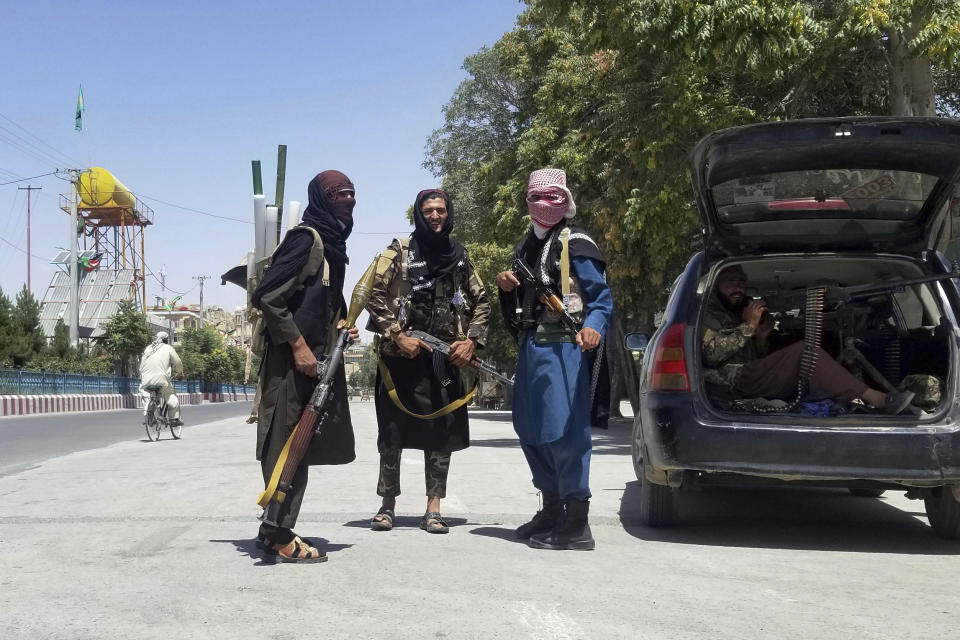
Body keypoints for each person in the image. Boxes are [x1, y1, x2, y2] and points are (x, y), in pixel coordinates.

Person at [496, 168, 613, 551]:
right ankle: (550, 509)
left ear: (566, 200)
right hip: (532, 347)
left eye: (553, 197)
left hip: (566, 345)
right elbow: (520, 306)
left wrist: (594, 326)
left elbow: (601, 300)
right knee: (530, 429)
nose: (544, 205)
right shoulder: (526, 246)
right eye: (536, 198)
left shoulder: (576, 242)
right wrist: (507, 288)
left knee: (564, 432)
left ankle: (577, 522)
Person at [365, 189, 490, 534]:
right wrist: (396, 334)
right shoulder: (399, 253)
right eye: (429, 210)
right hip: (399, 361)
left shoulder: (460, 256)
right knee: (391, 434)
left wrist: (472, 341)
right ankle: (387, 505)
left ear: (448, 214)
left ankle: (433, 508)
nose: (435, 216)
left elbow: (482, 299)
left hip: (444, 360)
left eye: (441, 210)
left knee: (440, 436)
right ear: (419, 215)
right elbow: (373, 296)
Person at [250, 170, 359, 563]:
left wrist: (342, 322)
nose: (347, 199)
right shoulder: (306, 239)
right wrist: (297, 345)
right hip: (290, 363)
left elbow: (319, 300)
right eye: (337, 194)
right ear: (319, 198)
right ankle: (278, 532)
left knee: (303, 443)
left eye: (351, 193)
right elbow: (268, 297)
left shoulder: (333, 245)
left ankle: (275, 526)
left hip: (317, 364)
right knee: (285, 448)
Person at [702, 264, 915, 413]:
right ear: (717, 285)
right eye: (731, 281)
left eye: (741, 282)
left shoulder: (738, 313)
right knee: (805, 350)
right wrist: (748, 325)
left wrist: (761, 338)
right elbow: (713, 354)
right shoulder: (706, 314)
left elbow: (754, 357)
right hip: (728, 382)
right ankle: (877, 399)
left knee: (816, 346)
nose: (738, 286)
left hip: (749, 375)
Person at [138, 331, 183, 426]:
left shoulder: (148, 348)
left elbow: (141, 366)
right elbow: (177, 362)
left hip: (145, 379)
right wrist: (180, 373)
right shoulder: (168, 348)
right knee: (170, 394)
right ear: (166, 340)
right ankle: (174, 419)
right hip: (161, 379)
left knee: (150, 396)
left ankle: (150, 414)